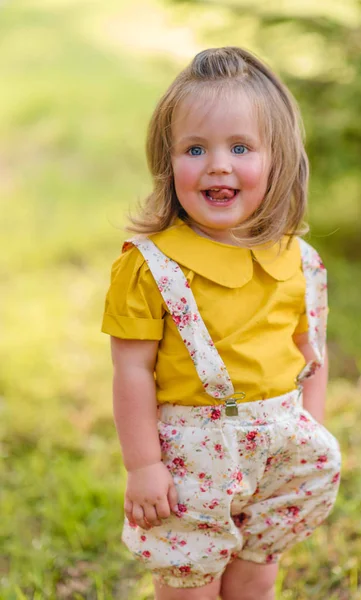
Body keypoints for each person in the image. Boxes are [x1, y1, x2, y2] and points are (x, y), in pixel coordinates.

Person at [101, 46, 341, 600]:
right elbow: (131, 370)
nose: (218, 164)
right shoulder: (151, 267)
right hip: (191, 459)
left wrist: (314, 430)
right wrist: (143, 466)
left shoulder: (296, 259)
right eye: (195, 148)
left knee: (256, 571)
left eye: (240, 147)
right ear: (169, 162)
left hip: (281, 448)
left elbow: (311, 356)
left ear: (276, 158)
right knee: (191, 583)